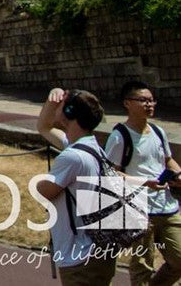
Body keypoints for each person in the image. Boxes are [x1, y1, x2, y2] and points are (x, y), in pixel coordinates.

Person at [35, 87, 118, 284]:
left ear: (70, 113)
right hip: (98, 251)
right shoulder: (91, 148)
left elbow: (46, 191)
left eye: (61, 105)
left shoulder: (72, 157)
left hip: (80, 257)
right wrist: (51, 98)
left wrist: (38, 182)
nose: (57, 107)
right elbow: (44, 127)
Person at [104, 79, 181, 286]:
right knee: (142, 266)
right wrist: (145, 182)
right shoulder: (119, 137)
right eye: (143, 100)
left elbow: (168, 160)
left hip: (167, 207)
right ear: (127, 103)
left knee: (179, 259)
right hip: (138, 209)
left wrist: (177, 173)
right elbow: (110, 174)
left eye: (152, 100)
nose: (150, 105)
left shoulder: (158, 132)